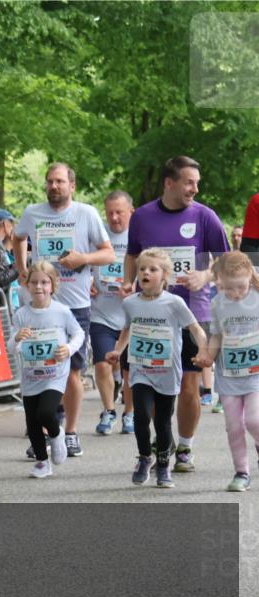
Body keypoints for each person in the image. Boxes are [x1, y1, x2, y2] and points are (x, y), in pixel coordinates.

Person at [123, 155, 229, 473]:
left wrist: (205, 276)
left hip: (192, 312)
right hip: (152, 316)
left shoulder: (205, 217)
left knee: (188, 386)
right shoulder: (141, 217)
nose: (195, 189)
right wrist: (129, 282)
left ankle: (185, 446)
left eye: (197, 182)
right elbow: (131, 255)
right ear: (169, 183)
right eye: (189, 182)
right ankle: (164, 439)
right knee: (155, 386)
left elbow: (226, 261)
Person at [13, 162, 114, 458]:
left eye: (59, 181)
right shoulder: (33, 213)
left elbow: (108, 254)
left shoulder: (86, 213)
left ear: (72, 185)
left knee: (71, 372)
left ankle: (70, 433)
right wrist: (22, 269)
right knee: (40, 370)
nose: (53, 186)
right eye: (49, 182)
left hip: (76, 304)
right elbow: (18, 238)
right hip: (42, 306)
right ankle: (44, 434)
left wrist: (83, 257)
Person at [107, 248, 208, 488]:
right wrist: (118, 350)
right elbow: (128, 329)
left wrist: (203, 351)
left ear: (164, 276)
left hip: (167, 372)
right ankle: (144, 457)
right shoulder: (131, 303)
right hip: (141, 369)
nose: (145, 273)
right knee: (141, 416)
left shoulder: (174, 303)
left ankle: (163, 466)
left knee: (163, 423)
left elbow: (196, 329)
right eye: (142, 269)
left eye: (152, 269)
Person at [9, 261, 85, 478]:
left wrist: (68, 349)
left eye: (44, 282)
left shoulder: (62, 311)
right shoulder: (22, 314)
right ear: (27, 285)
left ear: (53, 285)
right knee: (32, 422)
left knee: (45, 412)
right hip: (31, 375)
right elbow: (11, 347)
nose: (39, 287)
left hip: (55, 374)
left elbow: (78, 334)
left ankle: (56, 433)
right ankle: (42, 462)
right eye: (34, 282)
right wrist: (17, 338)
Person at [194, 251, 259, 492]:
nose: (235, 294)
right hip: (229, 375)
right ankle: (242, 472)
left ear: (250, 276)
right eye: (229, 288)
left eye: (240, 287)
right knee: (233, 426)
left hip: (255, 374)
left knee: (254, 420)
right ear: (219, 282)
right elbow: (217, 336)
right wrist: (207, 356)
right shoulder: (217, 304)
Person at [90, 191, 135, 436]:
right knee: (102, 365)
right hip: (102, 313)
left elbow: (155, 268)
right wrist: (86, 281)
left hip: (131, 316)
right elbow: (83, 263)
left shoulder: (140, 235)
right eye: (110, 213)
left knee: (130, 370)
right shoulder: (98, 234)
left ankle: (129, 413)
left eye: (119, 212)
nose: (114, 218)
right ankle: (108, 411)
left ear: (131, 211)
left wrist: (137, 288)